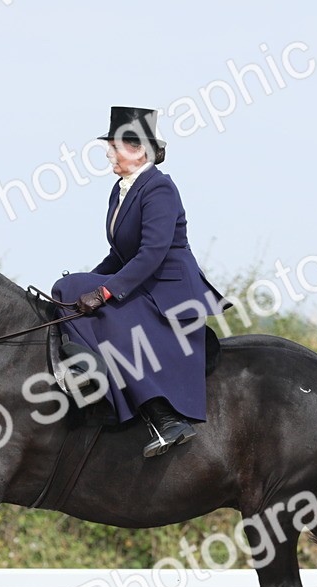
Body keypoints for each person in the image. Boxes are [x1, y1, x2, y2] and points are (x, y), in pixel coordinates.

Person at [52, 106, 227, 458]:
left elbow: (152, 253)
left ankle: (165, 418)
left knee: (111, 316)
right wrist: (90, 284)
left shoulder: (159, 188)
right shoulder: (120, 190)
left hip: (167, 289)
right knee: (66, 289)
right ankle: (95, 385)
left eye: (114, 146)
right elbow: (119, 255)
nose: (108, 154)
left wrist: (103, 291)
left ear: (139, 151)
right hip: (143, 280)